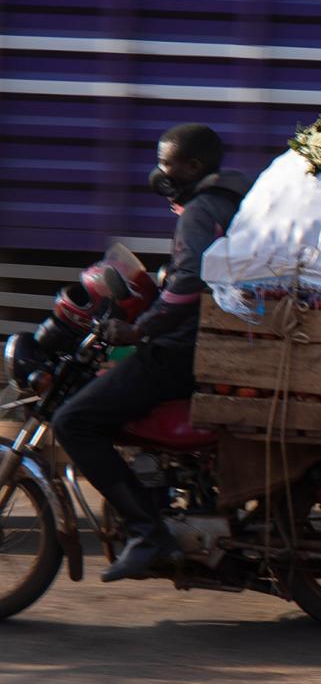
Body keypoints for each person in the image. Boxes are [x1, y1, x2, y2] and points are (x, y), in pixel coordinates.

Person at [53, 123, 249, 581]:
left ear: (194, 166)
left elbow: (187, 288)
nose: (159, 172)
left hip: (184, 349)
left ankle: (147, 530)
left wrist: (139, 329)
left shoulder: (201, 211)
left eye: (167, 163)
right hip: (213, 342)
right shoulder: (229, 201)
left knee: (73, 421)